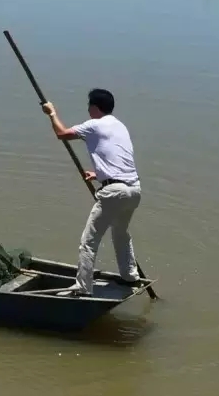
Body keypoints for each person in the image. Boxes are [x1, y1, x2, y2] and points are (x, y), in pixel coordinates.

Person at [41, 89, 143, 297]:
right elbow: (117, 159)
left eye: (89, 106)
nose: (88, 110)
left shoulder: (94, 125)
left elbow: (62, 134)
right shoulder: (120, 126)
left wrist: (52, 113)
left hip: (114, 192)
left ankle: (82, 287)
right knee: (120, 233)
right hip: (134, 190)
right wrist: (98, 174)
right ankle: (130, 276)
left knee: (88, 241)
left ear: (95, 107)